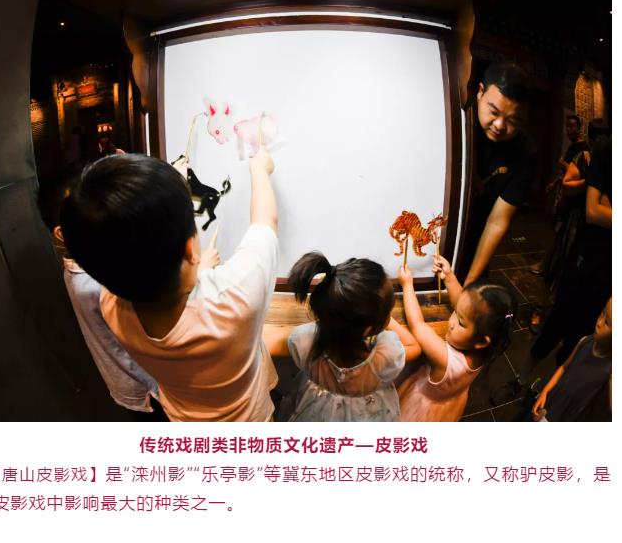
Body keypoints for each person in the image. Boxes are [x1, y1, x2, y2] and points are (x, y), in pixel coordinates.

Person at [60, 148, 279, 422]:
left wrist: (168, 187)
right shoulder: (235, 295)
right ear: (191, 251)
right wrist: (259, 169)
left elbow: (131, 252)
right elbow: (265, 223)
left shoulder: (110, 303)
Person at [496, 119, 611, 401]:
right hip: (587, 257)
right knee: (555, 323)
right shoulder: (606, 150)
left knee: (581, 338)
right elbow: (594, 211)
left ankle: (547, 390)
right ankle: (521, 380)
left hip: (610, 273)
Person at [37, 174, 163, 416]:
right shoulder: (94, 284)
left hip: (135, 384)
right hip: (146, 388)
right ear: (62, 234)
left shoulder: (80, 266)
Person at [277, 252, 420, 422]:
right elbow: (414, 347)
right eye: (388, 311)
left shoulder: (304, 342)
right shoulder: (384, 358)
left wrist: (375, 314)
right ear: (367, 329)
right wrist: (386, 319)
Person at [396, 256, 516, 421]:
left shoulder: (446, 360)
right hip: (449, 402)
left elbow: (417, 324)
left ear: (482, 342)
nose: (451, 322)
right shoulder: (489, 346)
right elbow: (464, 305)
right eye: (455, 312)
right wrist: (449, 277)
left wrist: (407, 285)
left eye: (460, 322)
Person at [460, 62, 536, 285]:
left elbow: (497, 221)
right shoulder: (457, 116)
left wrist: (470, 284)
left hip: (479, 233)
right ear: (480, 92)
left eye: (513, 120)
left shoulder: (526, 152)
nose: (500, 125)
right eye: (493, 112)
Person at [531, 114, 590, 290]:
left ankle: (545, 265)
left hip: (570, 199)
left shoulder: (583, 149)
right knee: (556, 231)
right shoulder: (573, 146)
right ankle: (548, 265)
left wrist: (564, 165)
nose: (569, 129)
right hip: (563, 195)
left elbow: (576, 174)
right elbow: (566, 174)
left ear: (579, 128)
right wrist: (554, 183)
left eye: (572, 126)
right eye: (567, 126)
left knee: (557, 231)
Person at [531, 298, 611, 422]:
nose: (599, 323)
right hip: (554, 398)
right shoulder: (585, 341)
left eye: (607, 322)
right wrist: (545, 391)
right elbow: (564, 367)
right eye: (602, 313)